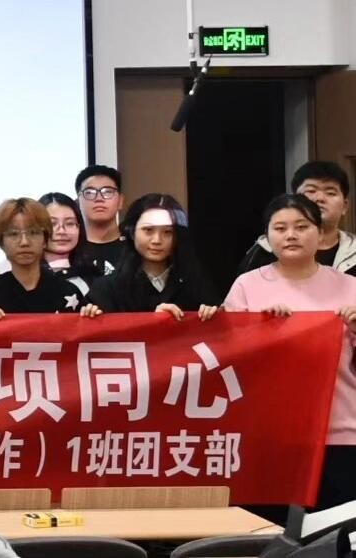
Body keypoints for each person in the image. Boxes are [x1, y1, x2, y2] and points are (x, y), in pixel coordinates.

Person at [223, 193, 356, 511]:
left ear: (320, 234)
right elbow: (228, 360)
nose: (291, 235)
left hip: (338, 432)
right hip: (270, 434)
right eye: (280, 228)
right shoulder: (246, 285)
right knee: (270, 529)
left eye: (302, 226)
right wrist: (261, 330)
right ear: (267, 237)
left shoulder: (350, 286)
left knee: (337, 530)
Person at [82, 193, 216, 318]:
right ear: (132, 232)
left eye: (167, 232)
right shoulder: (107, 289)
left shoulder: (196, 285)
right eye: (148, 230)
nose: (157, 240)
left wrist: (212, 314)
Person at [0, 197, 82, 317]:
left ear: (45, 239)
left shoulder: (68, 292)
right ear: (1, 242)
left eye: (33, 232)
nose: (24, 242)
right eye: (13, 234)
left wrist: (90, 315)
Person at [239, 161, 356, 274]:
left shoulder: (353, 251)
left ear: (345, 206)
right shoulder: (265, 250)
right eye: (311, 190)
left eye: (330, 193)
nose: (320, 198)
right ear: (294, 200)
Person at [41, 191, 110, 294]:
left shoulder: (94, 277)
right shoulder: (25, 276)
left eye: (69, 223)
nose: (61, 231)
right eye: (52, 224)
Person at [75, 164, 125, 272]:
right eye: (89, 193)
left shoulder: (134, 248)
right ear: (78, 203)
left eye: (107, 192)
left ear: (121, 201)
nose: (99, 198)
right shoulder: (70, 248)